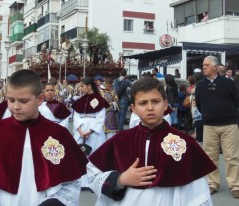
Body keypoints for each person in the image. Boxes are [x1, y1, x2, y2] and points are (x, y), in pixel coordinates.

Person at [0, 69, 88, 206]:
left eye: (23, 101)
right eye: (11, 100)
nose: (15, 107)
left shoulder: (59, 134)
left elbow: (71, 185)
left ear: (40, 99)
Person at [87, 77, 217, 206]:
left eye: (155, 101)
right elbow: (93, 174)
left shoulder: (185, 143)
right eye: (143, 103)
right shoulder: (119, 141)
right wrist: (121, 179)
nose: (150, 107)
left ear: (165, 104)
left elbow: (197, 192)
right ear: (133, 108)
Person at [195, 56, 239, 198]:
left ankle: (235, 185)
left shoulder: (228, 83)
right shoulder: (200, 85)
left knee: (231, 157)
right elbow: (199, 104)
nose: (204, 67)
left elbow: (236, 101)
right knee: (210, 157)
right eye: (203, 65)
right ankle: (212, 184)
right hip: (209, 126)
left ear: (215, 67)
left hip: (229, 125)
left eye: (206, 65)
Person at [71, 77, 109, 188]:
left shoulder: (100, 100)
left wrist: (90, 131)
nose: (80, 88)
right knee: (80, 155)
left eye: (82, 86)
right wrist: (79, 130)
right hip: (81, 130)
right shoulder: (79, 101)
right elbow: (76, 116)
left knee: (94, 155)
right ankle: (81, 182)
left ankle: (94, 182)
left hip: (93, 132)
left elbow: (100, 117)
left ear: (89, 86)